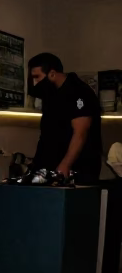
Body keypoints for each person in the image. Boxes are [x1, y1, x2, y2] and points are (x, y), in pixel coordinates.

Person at [29, 52, 102, 183]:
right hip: (50, 168)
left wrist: (65, 165)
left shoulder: (79, 91)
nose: (35, 82)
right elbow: (47, 134)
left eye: (37, 77)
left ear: (52, 73)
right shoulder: (50, 95)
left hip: (78, 168)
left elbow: (80, 132)